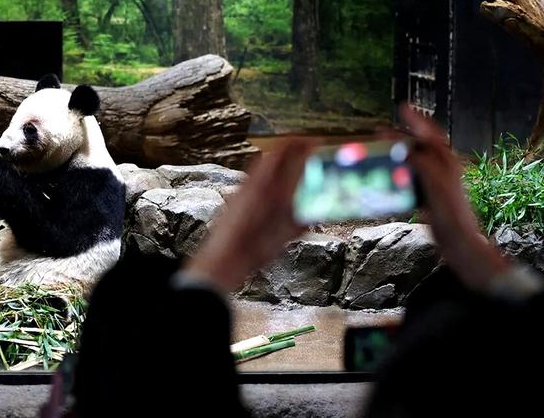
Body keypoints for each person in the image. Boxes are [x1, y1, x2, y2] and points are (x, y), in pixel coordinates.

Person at [71, 104, 544, 417]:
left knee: (131, 287)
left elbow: (136, 386)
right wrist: (471, 249)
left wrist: (225, 258)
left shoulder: (137, 333)